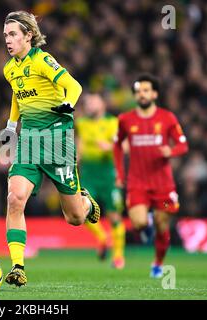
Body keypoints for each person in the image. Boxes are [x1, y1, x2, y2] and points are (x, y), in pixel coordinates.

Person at [0, 11, 100, 287]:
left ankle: (86, 202)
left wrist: (68, 103)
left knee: (76, 218)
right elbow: (19, 96)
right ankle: (18, 267)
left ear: (28, 36)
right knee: (14, 198)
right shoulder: (10, 68)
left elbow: (74, 85)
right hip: (29, 142)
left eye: (13, 34)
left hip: (57, 143)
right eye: (5, 35)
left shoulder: (43, 60)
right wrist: (11, 126)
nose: (7, 40)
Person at [113, 74, 189, 278]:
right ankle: (146, 222)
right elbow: (117, 145)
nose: (142, 95)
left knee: (163, 223)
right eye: (138, 91)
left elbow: (183, 144)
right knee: (138, 223)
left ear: (154, 93)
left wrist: (170, 152)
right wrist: (120, 173)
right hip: (137, 184)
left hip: (163, 186)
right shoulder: (125, 119)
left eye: (146, 91)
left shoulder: (167, 118)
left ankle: (157, 263)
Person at [76, 93, 126, 269]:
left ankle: (118, 257)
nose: (89, 105)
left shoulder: (113, 123)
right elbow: (80, 143)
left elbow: (125, 146)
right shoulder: (81, 123)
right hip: (89, 173)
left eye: (92, 102)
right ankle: (102, 238)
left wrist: (111, 147)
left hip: (108, 175)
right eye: (87, 103)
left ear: (102, 103)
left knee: (114, 216)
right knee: (81, 210)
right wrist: (76, 157)